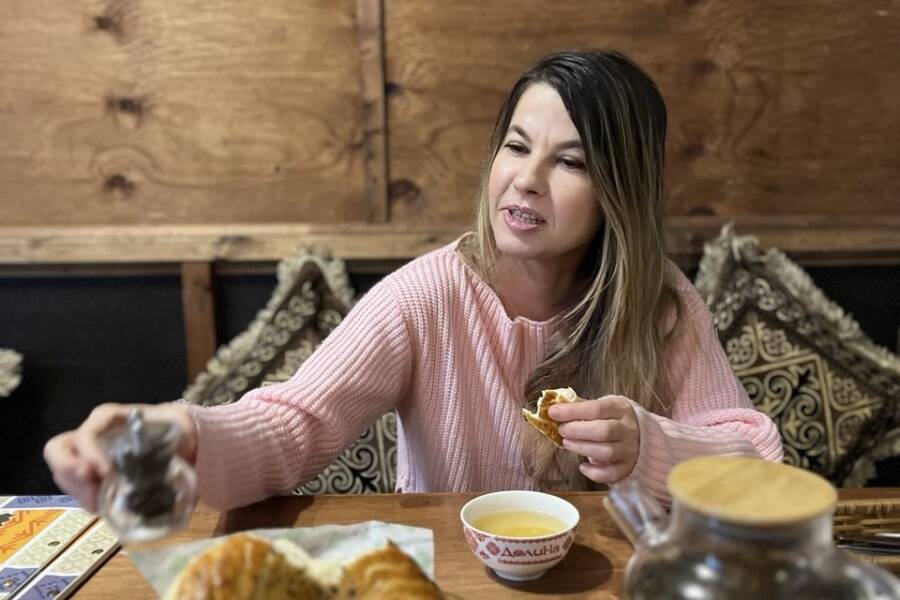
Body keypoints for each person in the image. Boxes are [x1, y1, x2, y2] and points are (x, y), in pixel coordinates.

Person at [44, 49, 782, 513]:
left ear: (622, 189)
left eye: (572, 162)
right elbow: (299, 424)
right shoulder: (426, 296)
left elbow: (754, 459)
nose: (524, 181)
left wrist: (648, 446)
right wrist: (187, 433)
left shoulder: (661, 305)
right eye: (516, 147)